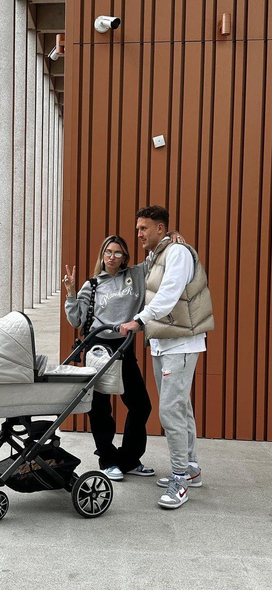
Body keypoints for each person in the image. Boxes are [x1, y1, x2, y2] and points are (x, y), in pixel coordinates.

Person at [120, 205, 214, 510]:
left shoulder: (178, 253)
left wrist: (139, 320)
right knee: (180, 408)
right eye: (138, 228)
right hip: (164, 342)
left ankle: (179, 481)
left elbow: (169, 293)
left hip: (181, 344)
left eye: (144, 228)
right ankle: (191, 468)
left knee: (170, 412)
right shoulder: (156, 255)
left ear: (160, 228)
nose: (139, 234)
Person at [63, 235, 154, 481]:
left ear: (125, 257)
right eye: (108, 252)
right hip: (98, 348)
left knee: (140, 405)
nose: (112, 257)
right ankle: (107, 460)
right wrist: (71, 293)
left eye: (117, 253)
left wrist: (172, 236)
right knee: (100, 408)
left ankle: (129, 459)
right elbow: (76, 321)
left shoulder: (136, 275)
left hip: (123, 347)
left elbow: (156, 257)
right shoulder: (92, 285)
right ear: (102, 255)